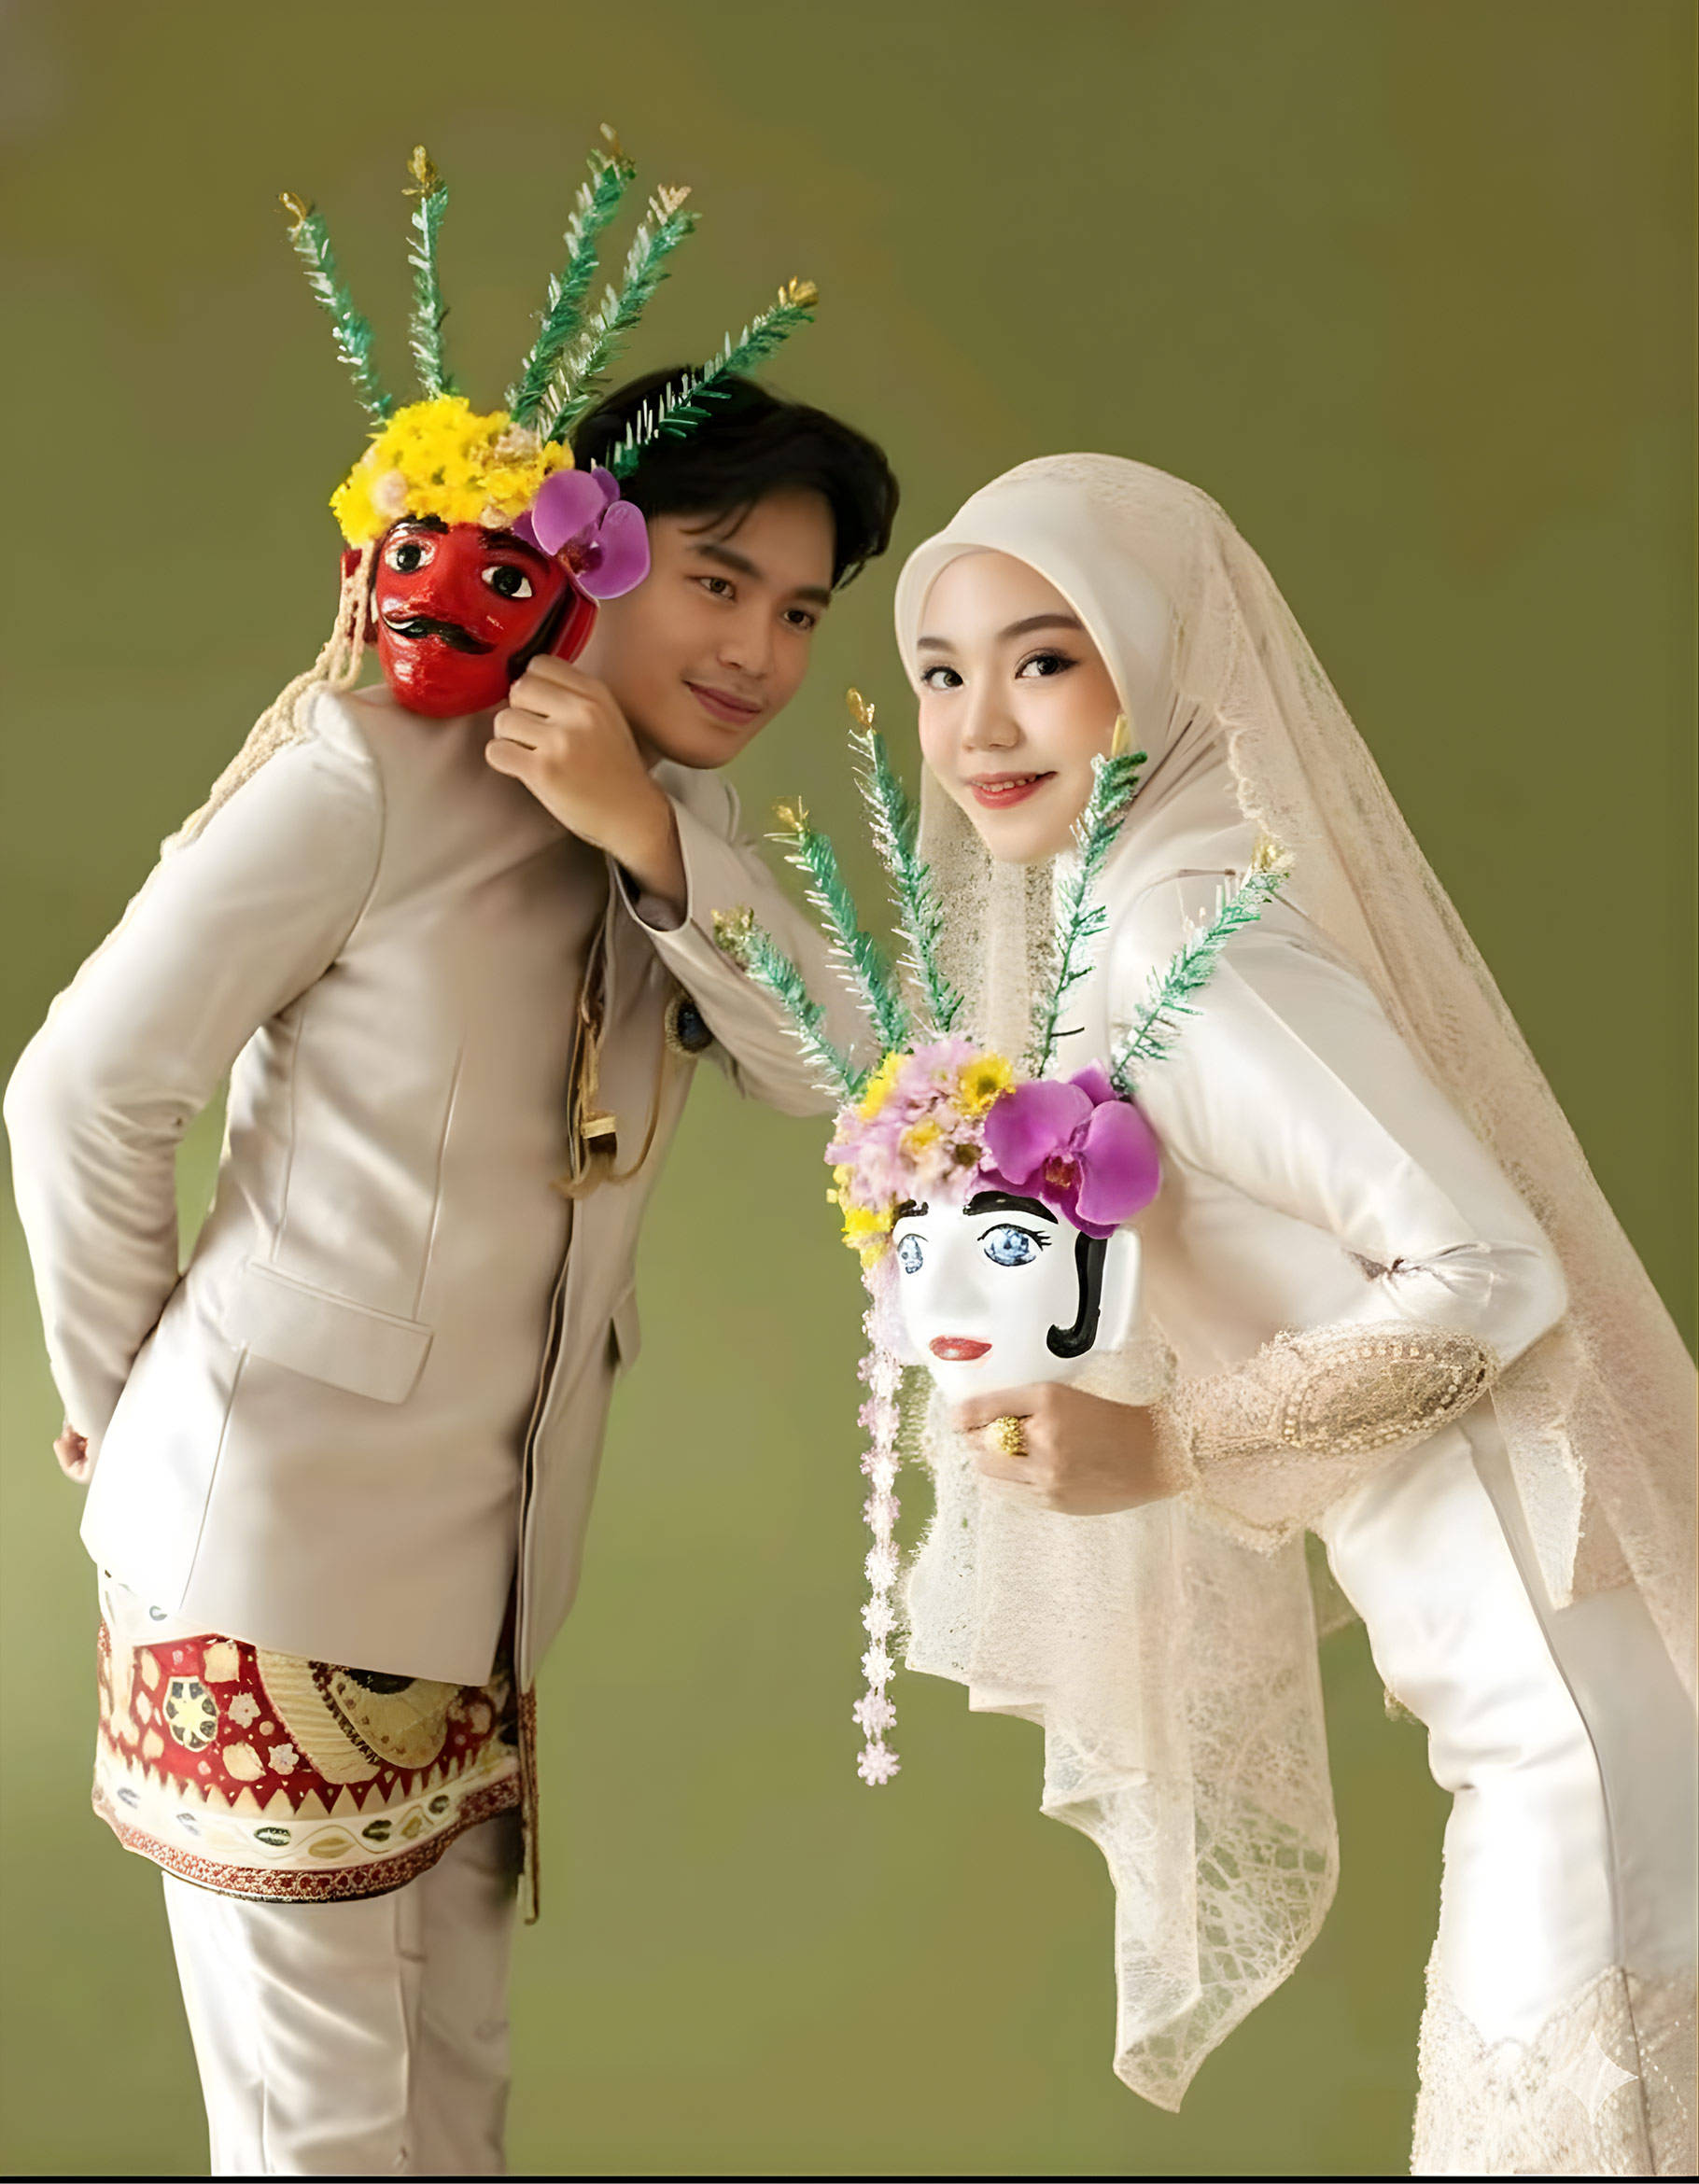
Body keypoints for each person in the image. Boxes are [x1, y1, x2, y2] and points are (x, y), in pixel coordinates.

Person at [4, 138, 894, 2177]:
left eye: (798, 610)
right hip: (267, 1561)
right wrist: (126, 1418)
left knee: (451, 2105)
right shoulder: (371, 767)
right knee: (322, 2137)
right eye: (715, 580)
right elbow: (79, 1092)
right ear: (589, 555)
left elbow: (845, 1079)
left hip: (482, 1588)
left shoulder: (684, 835)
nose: (759, 650)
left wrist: (646, 838)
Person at [728, 454, 1695, 2176]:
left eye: (1045, 660)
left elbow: (1490, 1268)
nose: (979, 726)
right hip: (1532, 1696)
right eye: (940, 673)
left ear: (1157, 663)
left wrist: (1171, 1444)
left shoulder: (1190, 942)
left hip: (1571, 1715)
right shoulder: (1126, 923)